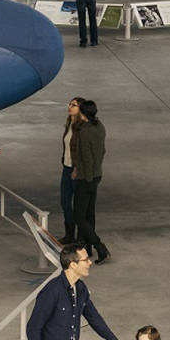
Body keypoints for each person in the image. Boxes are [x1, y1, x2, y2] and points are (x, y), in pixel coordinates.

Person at [72, 98, 110, 264]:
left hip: (85, 178)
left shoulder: (84, 132)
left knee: (79, 216)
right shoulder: (99, 127)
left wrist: (84, 177)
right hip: (96, 175)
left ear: (83, 113)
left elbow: (86, 158)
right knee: (89, 213)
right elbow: (102, 151)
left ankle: (99, 247)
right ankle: (88, 247)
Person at [59, 97, 83, 244]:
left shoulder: (82, 128)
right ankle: (69, 234)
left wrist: (77, 167)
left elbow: (82, 151)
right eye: (69, 104)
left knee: (78, 204)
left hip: (76, 170)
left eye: (74, 105)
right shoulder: (69, 125)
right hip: (66, 168)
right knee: (65, 202)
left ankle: (80, 236)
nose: (70, 107)